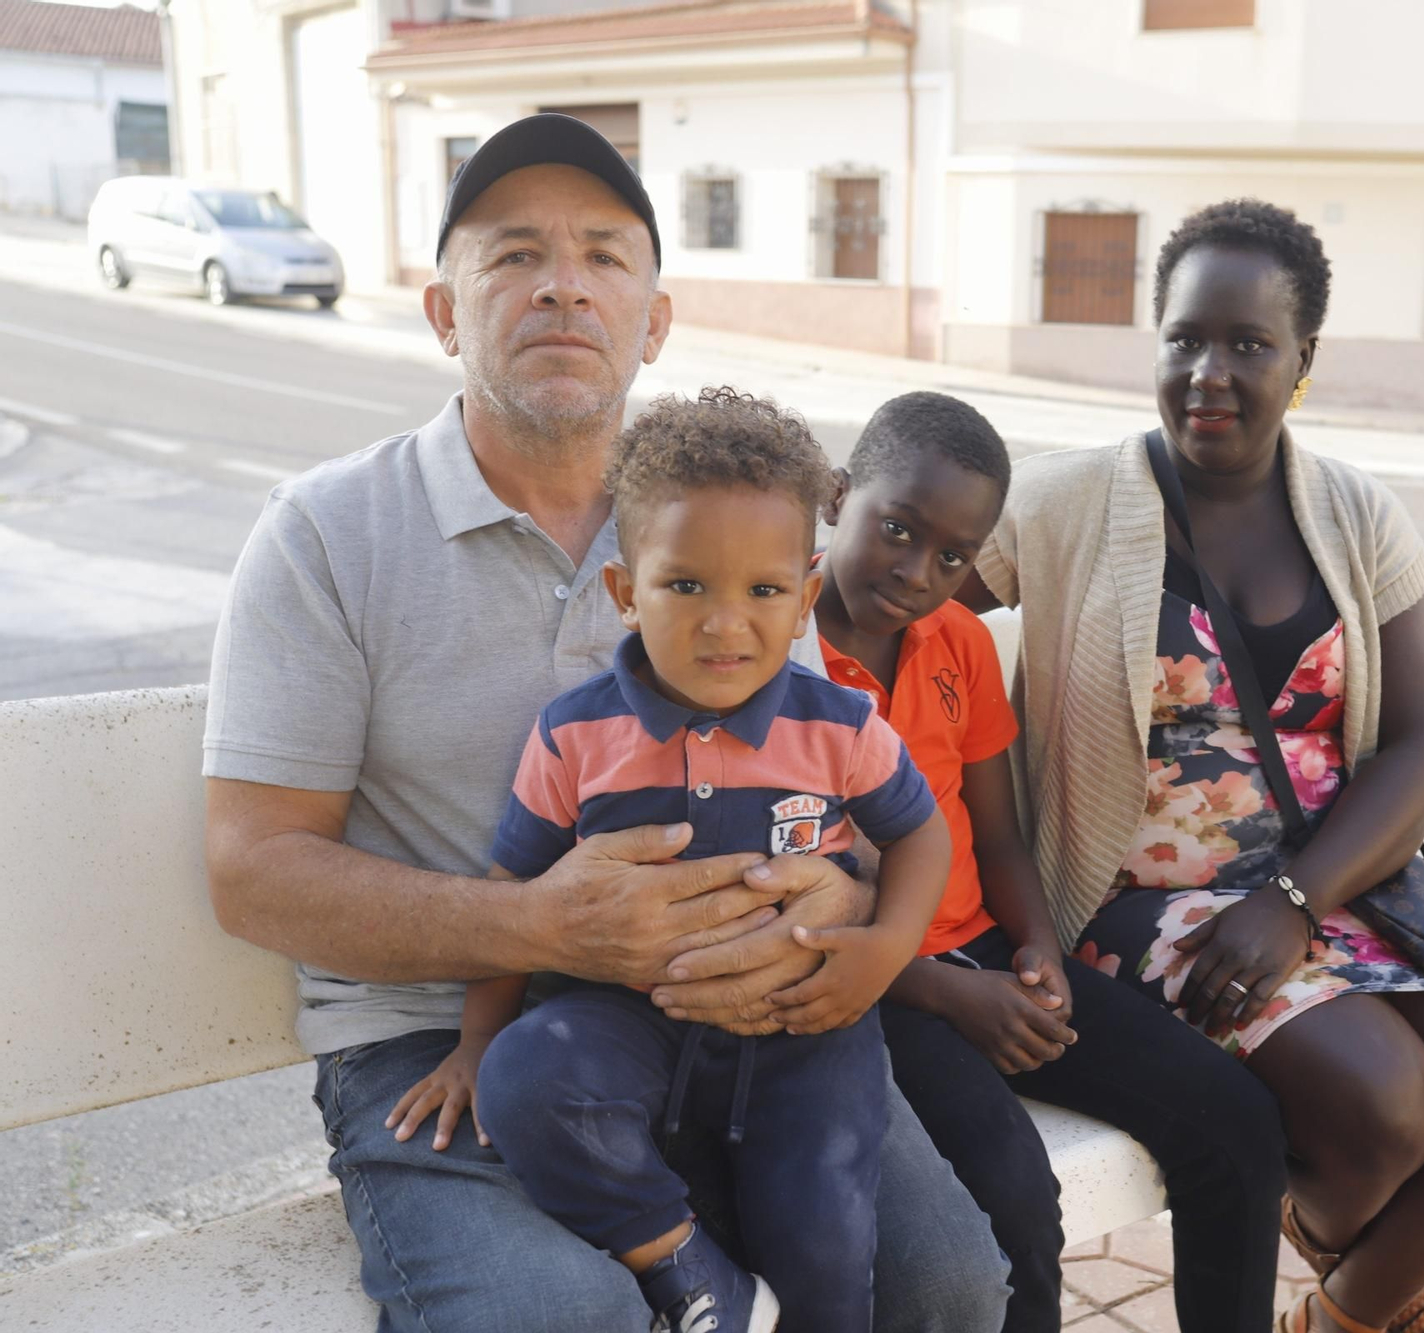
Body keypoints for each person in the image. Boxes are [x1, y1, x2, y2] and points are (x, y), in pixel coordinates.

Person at [200, 112, 1009, 1333]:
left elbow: (837, 781)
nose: (562, 287)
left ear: (655, 318)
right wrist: (536, 924)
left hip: (754, 1006)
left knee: (948, 1281)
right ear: (443, 312)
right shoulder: (325, 536)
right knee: (565, 1318)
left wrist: (839, 896)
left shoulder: (728, 523)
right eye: (513, 253)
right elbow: (252, 872)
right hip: (443, 1044)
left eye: (603, 256)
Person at [967, 199, 1424, 1333]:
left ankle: (1341, 1312)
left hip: (1331, 883)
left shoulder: (1356, 514)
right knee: (1385, 1107)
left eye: (1248, 345)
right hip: (1140, 905)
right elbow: (886, 602)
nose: (1209, 371)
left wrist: (1297, 900)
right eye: (1185, 337)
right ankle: (1363, 1277)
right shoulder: (1061, 503)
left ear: (1302, 360)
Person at [382, 388, 952, 1333]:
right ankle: (689, 1274)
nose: (726, 625)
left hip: (802, 1027)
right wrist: (477, 1046)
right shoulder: (575, 736)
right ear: (625, 592)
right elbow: (511, 891)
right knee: (526, 1083)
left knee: (828, 1243)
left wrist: (888, 946)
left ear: (808, 595)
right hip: (622, 1021)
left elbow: (921, 832)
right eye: (686, 585)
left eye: (764, 592)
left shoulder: (841, 726)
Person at [814, 391, 1288, 1333]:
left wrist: (1036, 954)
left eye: (952, 556)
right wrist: (951, 997)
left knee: (1235, 1127)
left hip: (981, 952)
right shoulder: (771, 652)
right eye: (897, 530)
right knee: (1016, 1205)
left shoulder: (955, 644)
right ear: (838, 496)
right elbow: (788, 908)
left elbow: (995, 836)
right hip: (871, 987)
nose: (917, 572)